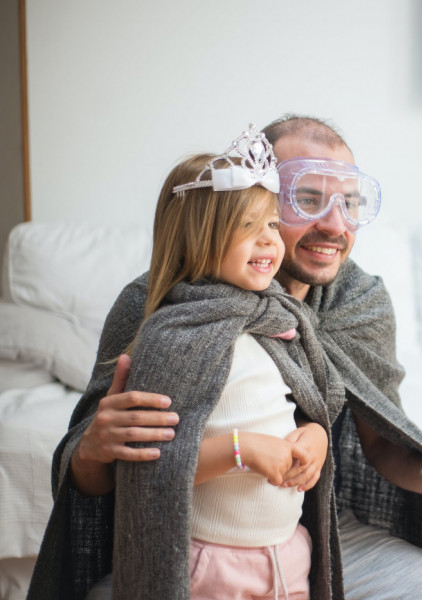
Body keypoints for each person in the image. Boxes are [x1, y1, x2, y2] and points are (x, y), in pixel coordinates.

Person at [33, 115, 422, 600]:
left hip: (323, 533)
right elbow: (93, 480)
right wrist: (95, 448)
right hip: (185, 544)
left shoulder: (358, 301)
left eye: (350, 203)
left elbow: (380, 446)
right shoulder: (161, 304)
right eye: (307, 199)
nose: (335, 225)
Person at [30, 127, 338, 599]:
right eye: (246, 227)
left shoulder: (280, 317)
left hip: (288, 554)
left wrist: (315, 435)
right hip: (207, 564)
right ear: (199, 239)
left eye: (273, 225)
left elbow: (310, 403)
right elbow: (148, 468)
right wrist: (242, 450)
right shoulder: (169, 334)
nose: (268, 242)